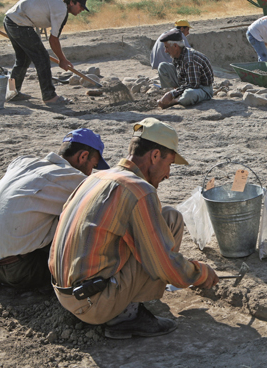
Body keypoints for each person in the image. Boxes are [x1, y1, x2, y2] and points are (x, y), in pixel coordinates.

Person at [49, 118, 219, 339]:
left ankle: (119, 304)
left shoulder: (96, 177)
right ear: (155, 156)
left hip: (66, 293)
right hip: (94, 303)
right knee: (157, 252)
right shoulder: (139, 189)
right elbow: (164, 263)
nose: (168, 174)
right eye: (169, 164)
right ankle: (124, 317)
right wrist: (200, 273)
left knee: (170, 218)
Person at [0, 129, 109, 290]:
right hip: (18, 271)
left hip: (5, 265)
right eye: (93, 165)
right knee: (83, 219)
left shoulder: (22, 162)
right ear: (83, 156)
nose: (92, 171)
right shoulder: (74, 179)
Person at [3, 0, 89, 105]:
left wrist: (62, 59)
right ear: (71, 2)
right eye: (81, 6)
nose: (82, 9)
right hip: (20, 23)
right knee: (42, 59)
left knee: (22, 59)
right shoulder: (61, 9)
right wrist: (62, 59)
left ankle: (12, 92)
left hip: (10, 20)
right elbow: (53, 39)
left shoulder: (58, 4)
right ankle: (49, 96)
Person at [156, 29, 214, 109]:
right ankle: (179, 93)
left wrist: (171, 94)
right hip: (186, 82)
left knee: (189, 95)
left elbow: (193, 85)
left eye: (167, 47)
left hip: (202, 88)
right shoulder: (178, 54)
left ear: (175, 46)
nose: (165, 51)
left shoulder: (190, 59)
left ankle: (175, 101)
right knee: (163, 67)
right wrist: (175, 91)